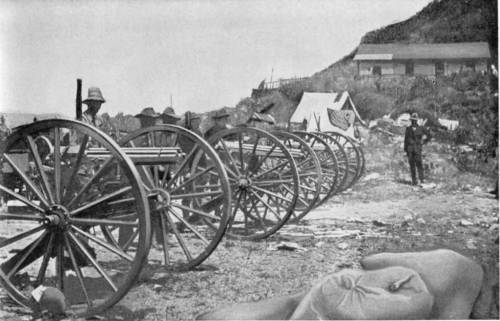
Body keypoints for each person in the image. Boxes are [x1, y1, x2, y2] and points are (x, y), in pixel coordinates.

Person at [404, 112, 431, 186]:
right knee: (412, 165)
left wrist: (424, 142)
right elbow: (405, 140)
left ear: (417, 121)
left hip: (417, 149)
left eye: (415, 120)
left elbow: (429, 135)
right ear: (411, 121)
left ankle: (421, 179)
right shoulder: (408, 129)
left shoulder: (421, 128)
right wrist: (405, 150)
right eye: (412, 120)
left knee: (419, 164)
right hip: (410, 149)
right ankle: (414, 180)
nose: (414, 121)